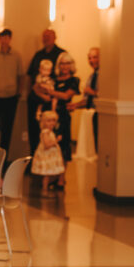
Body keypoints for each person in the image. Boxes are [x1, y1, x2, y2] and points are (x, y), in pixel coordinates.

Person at [27, 29, 65, 155]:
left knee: (51, 131)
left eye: (49, 36)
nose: (46, 39)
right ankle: (35, 158)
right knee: (34, 130)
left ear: (55, 37)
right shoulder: (38, 55)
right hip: (35, 99)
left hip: (51, 100)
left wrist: (50, 93)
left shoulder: (61, 54)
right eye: (44, 37)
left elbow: (63, 76)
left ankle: (51, 161)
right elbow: (31, 76)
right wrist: (36, 92)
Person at [50, 52, 81, 187]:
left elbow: (66, 96)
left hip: (63, 115)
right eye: (62, 63)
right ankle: (53, 175)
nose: (65, 66)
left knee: (63, 146)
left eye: (68, 63)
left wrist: (51, 92)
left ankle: (62, 178)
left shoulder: (74, 80)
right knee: (51, 146)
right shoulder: (53, 79)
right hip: (51, 116)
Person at [69, 46, 100, 150]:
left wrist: (93, 92)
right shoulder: (92, 76)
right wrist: (75, 105)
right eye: (89, 58)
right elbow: (87, 100)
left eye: (95, 57)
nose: (92, 61)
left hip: (101, 115)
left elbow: (107, 95)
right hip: (90, 114)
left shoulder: (105, 75)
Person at [32, 109, 65, 194]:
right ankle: (45, 189)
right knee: (47, 174)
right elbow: (46, 145)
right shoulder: (45, 132)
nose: (52, 123)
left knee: (53, 173)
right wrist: (56, 141)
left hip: (51, 156)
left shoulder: (50, 132)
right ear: (44, 122)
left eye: (53, 121)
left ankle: (46, 188)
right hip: (47, 156)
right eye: (49, 121)